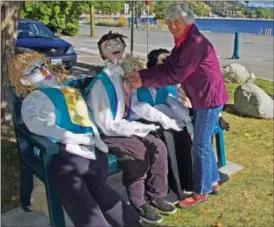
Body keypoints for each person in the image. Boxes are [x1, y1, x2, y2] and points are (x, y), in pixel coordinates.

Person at [9, 52, 141, 227]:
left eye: (42, 65)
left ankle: (130, 221)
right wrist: (70, 137)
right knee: (79, 194)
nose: (42, 71)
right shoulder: (35, 98)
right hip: (63, 150)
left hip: (89, 152)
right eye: (34, 69)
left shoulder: (69, 91)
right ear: (25, 81)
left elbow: (88, 117)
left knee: (94, 190)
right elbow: (35, 123)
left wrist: (97, 140)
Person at [124, 3, 229, 208]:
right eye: (169, 23)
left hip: (208, 98)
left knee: (200, 145)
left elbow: (175, 75)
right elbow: (169, 66)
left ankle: (201, 191)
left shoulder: (194, 42)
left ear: (187, 21)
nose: (172, 27)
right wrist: (142, 75)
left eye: (177, 22)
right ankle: (213, 181)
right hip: (202, 97)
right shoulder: (184, 41)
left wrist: (142, 81)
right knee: (203, 142)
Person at [85, 31, 177, 225]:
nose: (114, 46)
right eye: (108, 45)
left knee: (158, 146)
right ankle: (138, 202)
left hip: (124, 126)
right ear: (102, 54)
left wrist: (161, 118)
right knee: (138, 152)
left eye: (117, 43)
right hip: (107, 132)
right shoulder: (101, 84)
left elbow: (134, 104)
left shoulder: (123, 77)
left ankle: (156, 194)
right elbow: (107, 124)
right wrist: (137, 128)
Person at [120, 50, 194, 199]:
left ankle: (188, 180)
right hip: (140, 121)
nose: (136, 72)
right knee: (167, 136)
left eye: (139, 69)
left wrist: (183, 116)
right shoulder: (130, 88)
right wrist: (164, 120)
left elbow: (169, 98)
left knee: (182, 132)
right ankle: (174, 185)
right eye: (132, 69)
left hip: (155, 116)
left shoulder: (152, 81)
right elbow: (140, 108)